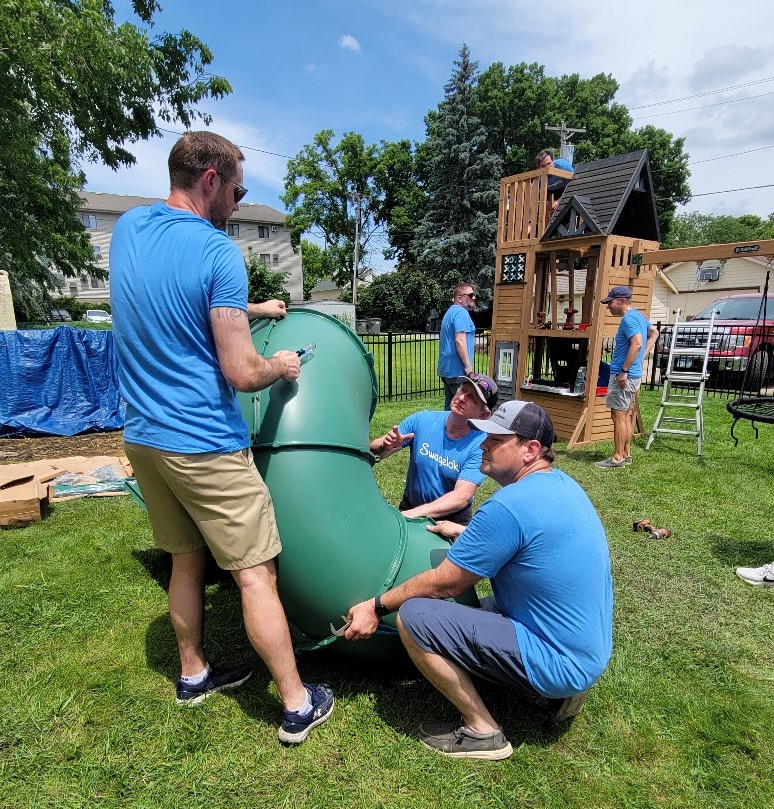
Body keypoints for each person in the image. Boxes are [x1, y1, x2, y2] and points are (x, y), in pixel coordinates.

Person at [109, 131, 333, 745]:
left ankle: (193, 673)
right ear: (211, 180)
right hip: (203, 440)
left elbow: (171, 305)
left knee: (185, 557)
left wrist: (252, 309)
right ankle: (296, 704)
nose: (238, 202)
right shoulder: (217, 252)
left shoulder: (129, 230)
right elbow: (240, 371)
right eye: (237, 190)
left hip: (144, 437)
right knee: (255, 575)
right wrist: (279, 365)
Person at [345, 401, 613, 760]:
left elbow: (445, 583)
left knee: (415, 617)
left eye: (495, 440)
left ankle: (482, 731)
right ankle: (558, 689)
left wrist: (376, 606)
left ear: (531, 449)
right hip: (586, 649)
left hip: (559, 660)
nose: (483, 444)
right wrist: (466, 532)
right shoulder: (561, 485)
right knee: (471, 609)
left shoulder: (508, 507)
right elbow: (527, 541)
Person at [370, 374, 499, 525]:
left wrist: (409, 515)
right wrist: (385, 446)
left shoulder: (481, 446)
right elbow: (373, 450)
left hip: (451, 521)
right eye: (463, 390)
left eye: (472, 398)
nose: (462, 398)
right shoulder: (423, 420)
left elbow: (461, 497)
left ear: (483, 415)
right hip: (411, 507)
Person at [595, 286, 659, 469]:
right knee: (624, 415)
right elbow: (654, 333)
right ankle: (626, 454)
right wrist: (640, 359)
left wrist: (624, 370)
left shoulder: (628, 319)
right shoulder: (638, 316)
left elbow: (637, 344)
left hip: (624, 375)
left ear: (621, 301)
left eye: (610, 302)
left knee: (618, 415)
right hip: (631, 374)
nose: (608, 306)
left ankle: (617, 457)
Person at [438, 283, 477, 409]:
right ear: (459, 298)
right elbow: (460, 340)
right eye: (470, 295)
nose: (473, 298)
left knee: (450, 409)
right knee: (463, 410)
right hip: (457, 371)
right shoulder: (461, 313)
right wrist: (468, 367)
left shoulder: (450, 312)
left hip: (447, 369)